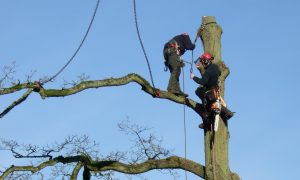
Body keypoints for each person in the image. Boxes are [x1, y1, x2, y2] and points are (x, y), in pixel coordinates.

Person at [190, 53, 234, 129]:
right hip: (216, 90)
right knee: (216, 103)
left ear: (205, 61)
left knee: (205, 108)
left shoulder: (207, 72)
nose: (203, 64)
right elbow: (219, 73)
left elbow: (203, 82)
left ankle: (206, 124)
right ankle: (228, 113)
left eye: (203, 62)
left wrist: (193, 77)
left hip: (210, 93)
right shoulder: (216, 67)